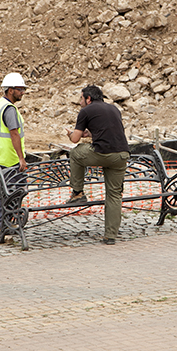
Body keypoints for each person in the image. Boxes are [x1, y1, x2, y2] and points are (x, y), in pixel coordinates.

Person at [64, 85, 130, 245]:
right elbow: (111, 131)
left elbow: (75, 140)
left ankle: (78, 193)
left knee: (75, 153)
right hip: (122, 154)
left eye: (81, 98)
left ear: (88, 99)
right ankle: (110, 236)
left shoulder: (86, 111)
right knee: (114, 196)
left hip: (103, 153)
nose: (79, 102)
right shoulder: (114, 109)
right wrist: (91, 133)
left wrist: (71, 134)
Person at [0, 72, 28, 234]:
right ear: (10, 90)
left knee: (2, 190)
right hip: (11, 158)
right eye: (20, 89)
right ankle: (5, 224)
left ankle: (0, 220)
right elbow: (14, 134)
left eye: (23, 89)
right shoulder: (9, 110)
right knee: (14, 192)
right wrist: (22, 159)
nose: (23, 92)